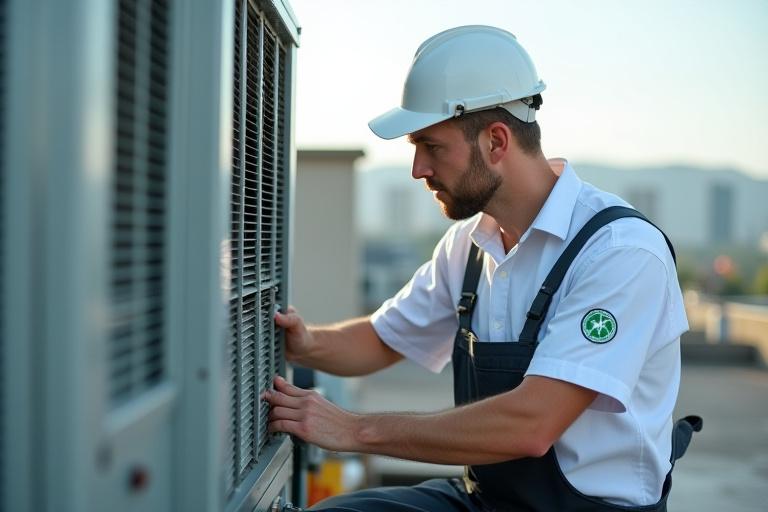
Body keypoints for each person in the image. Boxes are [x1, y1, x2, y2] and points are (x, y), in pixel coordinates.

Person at [264, 25, 700, 511]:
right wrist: (304, 342)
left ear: (496, 141)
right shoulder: (468, 246)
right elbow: (384, 338)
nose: (417, 169)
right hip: (486, 499)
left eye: (432, 146)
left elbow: (532, 424)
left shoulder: (620, 252)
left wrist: (352, 428)